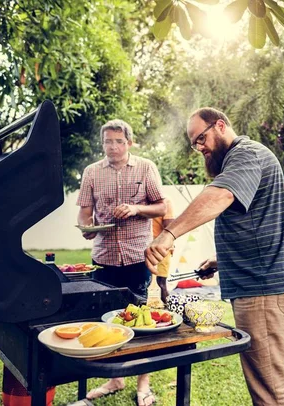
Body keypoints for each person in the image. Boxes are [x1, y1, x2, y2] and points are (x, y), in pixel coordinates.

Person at [145, 107, 284, 406]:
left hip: (264, 287)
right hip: (262, 283)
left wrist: (169, 234)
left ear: (220, 126)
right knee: (268, 384)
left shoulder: (245, 153)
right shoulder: (243, 158)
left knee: (270, 391)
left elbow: (220, 195)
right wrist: (220, 261)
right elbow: (261, 225)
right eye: (195, 143)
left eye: (202, 138)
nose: (200, 148)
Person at [77, 119, 167, 406]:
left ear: (129, 143)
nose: (113, 146)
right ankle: (116, 378)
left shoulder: (145, 167)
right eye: (108, 141)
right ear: (102, 143)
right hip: (103, 258)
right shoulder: (91, 172)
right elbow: (84, 215)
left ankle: (143, 384)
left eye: (118, 141)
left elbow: (163, 207)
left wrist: (136, 208)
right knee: (106, 319)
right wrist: (87, 227)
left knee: (141, 320)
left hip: (137, 256)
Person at [150, 197, 175, 304]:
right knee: (161, 285)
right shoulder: (166, 201)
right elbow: (169, 225)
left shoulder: (142, 203)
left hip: (148, 248)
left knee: (151, 285)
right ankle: (168, 309)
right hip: (162, 248)